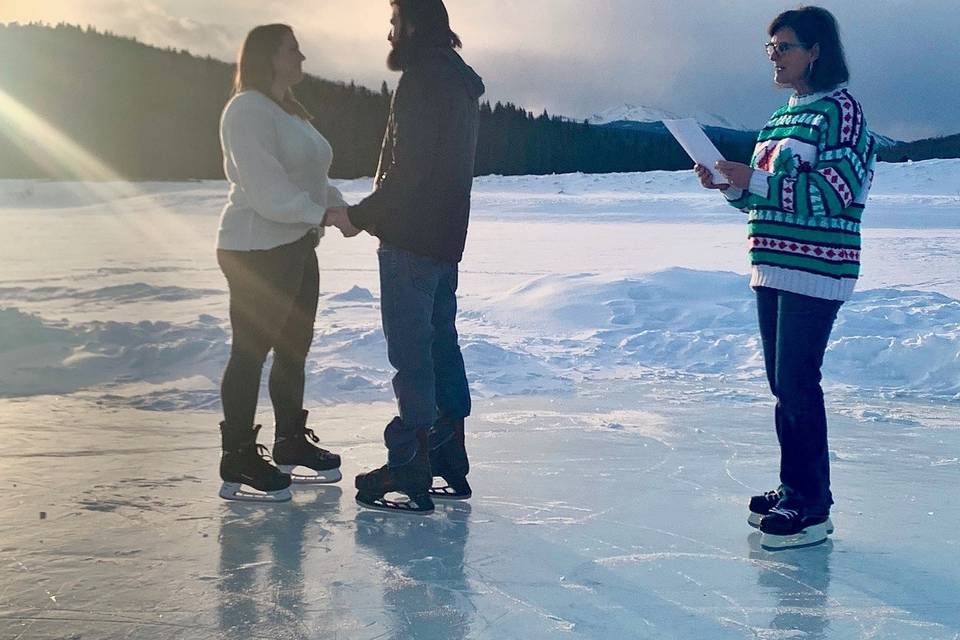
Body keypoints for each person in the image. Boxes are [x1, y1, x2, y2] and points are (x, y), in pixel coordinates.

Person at [694, 6, 876, 549]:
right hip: (771, 264)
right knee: (783, 384)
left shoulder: (841, 113)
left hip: (816, 269)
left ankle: (812, 506)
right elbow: (761, 198)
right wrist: (729, 184)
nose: (774, 57)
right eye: (770, 48)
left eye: (785, 47)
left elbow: (834, 194)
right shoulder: (779, 119)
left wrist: (756, 180)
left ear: (816, 51)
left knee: (797, 381)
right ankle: (794, 486)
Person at [325, 0, 485, 514]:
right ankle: (448, 457)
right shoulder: (459, 83)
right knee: (441, 346)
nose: (389, 32)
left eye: (394, 22)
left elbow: (408, 169)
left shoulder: (421, 80)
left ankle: (410, 464)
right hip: (444, 239)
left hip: (411, 239)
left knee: (412, 353)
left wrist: (361, 216)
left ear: (413, 24)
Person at [216, 24, 346, 502]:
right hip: (255, 248)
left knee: (294, 346)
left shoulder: (289, 111)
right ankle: (237, 459)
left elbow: (313, 178)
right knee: (251, 350)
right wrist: (324, 213)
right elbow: (267, 191)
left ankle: (289, 440)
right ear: (270, 55)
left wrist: (340, 208)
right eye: (294, 48)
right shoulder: (247, 110)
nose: (303, 56)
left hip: (295, 244)